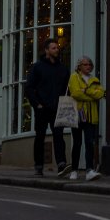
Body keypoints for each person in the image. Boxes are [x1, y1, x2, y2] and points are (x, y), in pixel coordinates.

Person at [25, 37, 68, 178]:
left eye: (57, 47)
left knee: (59, 136)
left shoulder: (63, 69)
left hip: (57, 108)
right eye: (54, 48)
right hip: (42, 108)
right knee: (40, 137)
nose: (57, 50)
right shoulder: (37, 67)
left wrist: (64, 103)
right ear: (47, 50)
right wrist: (37, 104)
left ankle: (61, 164)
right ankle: (39, 166)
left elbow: (67, 88)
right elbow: (29, 87)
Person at [67, 56, 105, 180]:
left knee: (89, 143)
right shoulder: (74, 77)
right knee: (77, 143)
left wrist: (86, 91)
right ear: (79, 66)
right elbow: (75, 93)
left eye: (89, 64)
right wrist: (91, 94)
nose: (87, 66)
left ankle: (89, 170)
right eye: (85, 64)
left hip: (91, 116)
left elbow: (100, 94)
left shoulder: (94, 79)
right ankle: (74, 170)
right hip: (78, 115)